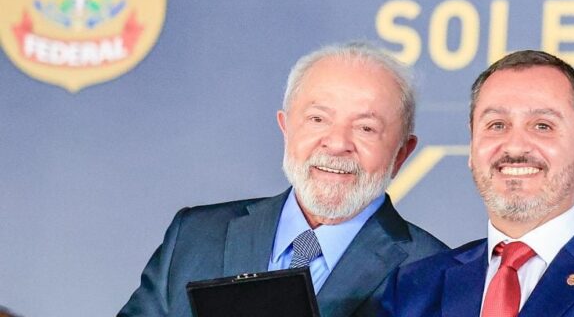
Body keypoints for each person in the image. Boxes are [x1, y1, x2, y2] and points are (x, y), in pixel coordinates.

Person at [120, 42, 448, 317]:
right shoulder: (195, 236)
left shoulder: (437, 276)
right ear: (285, 128)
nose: (337, 143)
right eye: (318, 119)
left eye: (366, 128)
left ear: (402, 153)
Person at [382, 50, 574, 316]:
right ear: (472, 143)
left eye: (542, 126)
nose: (515, 146)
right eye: (497, 125)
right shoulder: (414, 286)